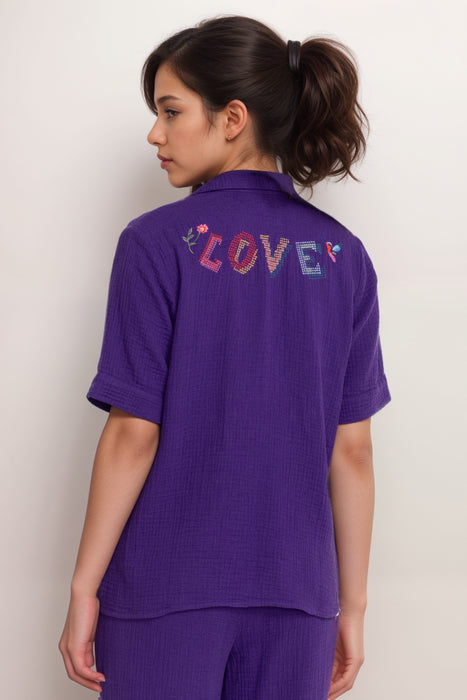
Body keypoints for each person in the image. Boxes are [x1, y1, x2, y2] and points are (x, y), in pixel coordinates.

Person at [59, 14, 391, 700]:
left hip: (165, 591)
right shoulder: (346, 257)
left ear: (232, 118)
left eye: (170, 111)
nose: (155, 134)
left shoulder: (155, 243)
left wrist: (83, 586)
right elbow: (353, 452)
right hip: (299, 596)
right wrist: (351, 608)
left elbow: (133, 432)